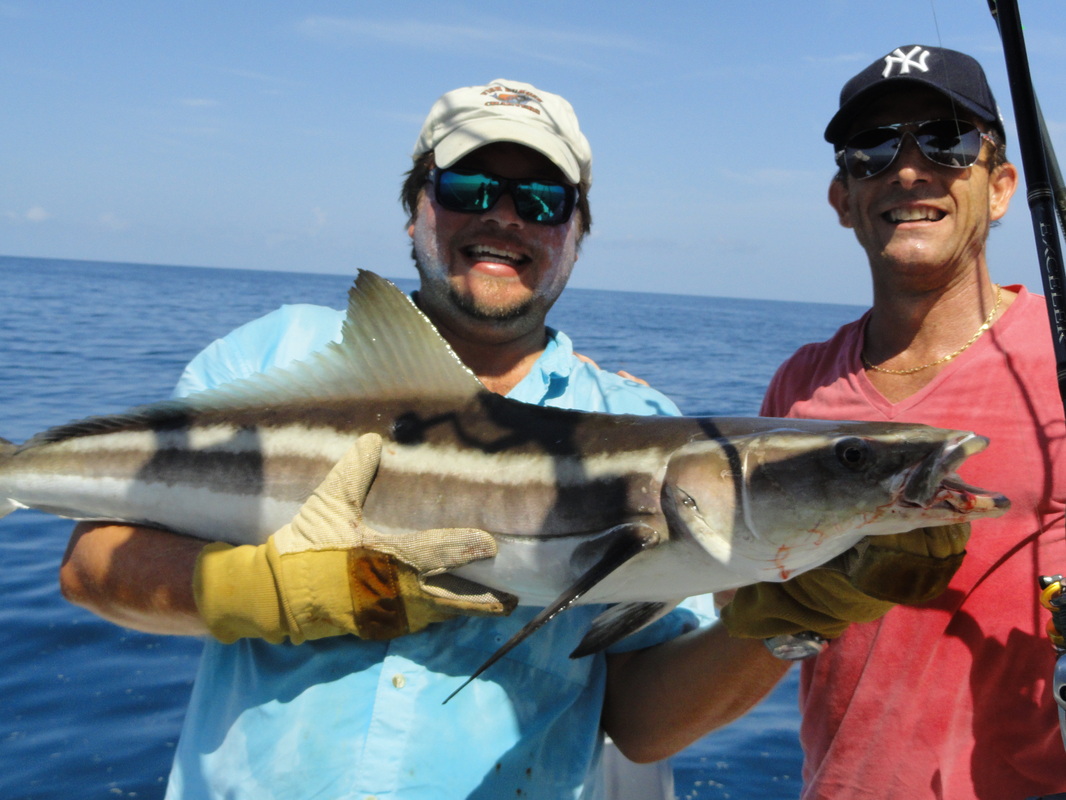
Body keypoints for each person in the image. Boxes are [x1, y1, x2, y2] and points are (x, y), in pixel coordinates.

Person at [59, 78, 798, 799]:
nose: (503, 216)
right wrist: (263, 591)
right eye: (467, 188)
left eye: (542, 200)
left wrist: (787, 624)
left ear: (575, 237)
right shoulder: (276, 356)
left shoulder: (641, 429)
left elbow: (640, 724)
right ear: (415, 209)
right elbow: (93, 567)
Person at [723, 45, 1066, 798]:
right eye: (873, 151)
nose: (909, 170)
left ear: (1001, 186)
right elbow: (736, 596)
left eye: (947, 141)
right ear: (842, 198)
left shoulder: (1059, 353)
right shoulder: (801, 386)